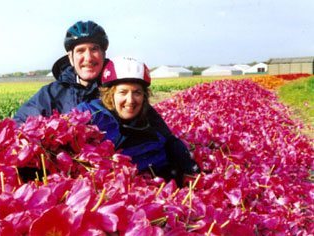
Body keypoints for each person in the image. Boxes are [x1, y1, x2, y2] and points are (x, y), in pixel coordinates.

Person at [13, 20, 172, 138]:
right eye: (81, 51)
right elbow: (19, 125)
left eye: (94, 49)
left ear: (104, 54)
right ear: (70, 57)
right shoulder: (51, 94)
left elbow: (161, 133)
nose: (88, 58)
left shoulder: (118, 89)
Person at [77, 57, 199, 187]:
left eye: (137, 93)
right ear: (110, 95)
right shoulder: (91, 114)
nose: (130, 100)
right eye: (123, 92)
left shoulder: (150, 116)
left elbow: (170, 140)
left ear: (144, 96)